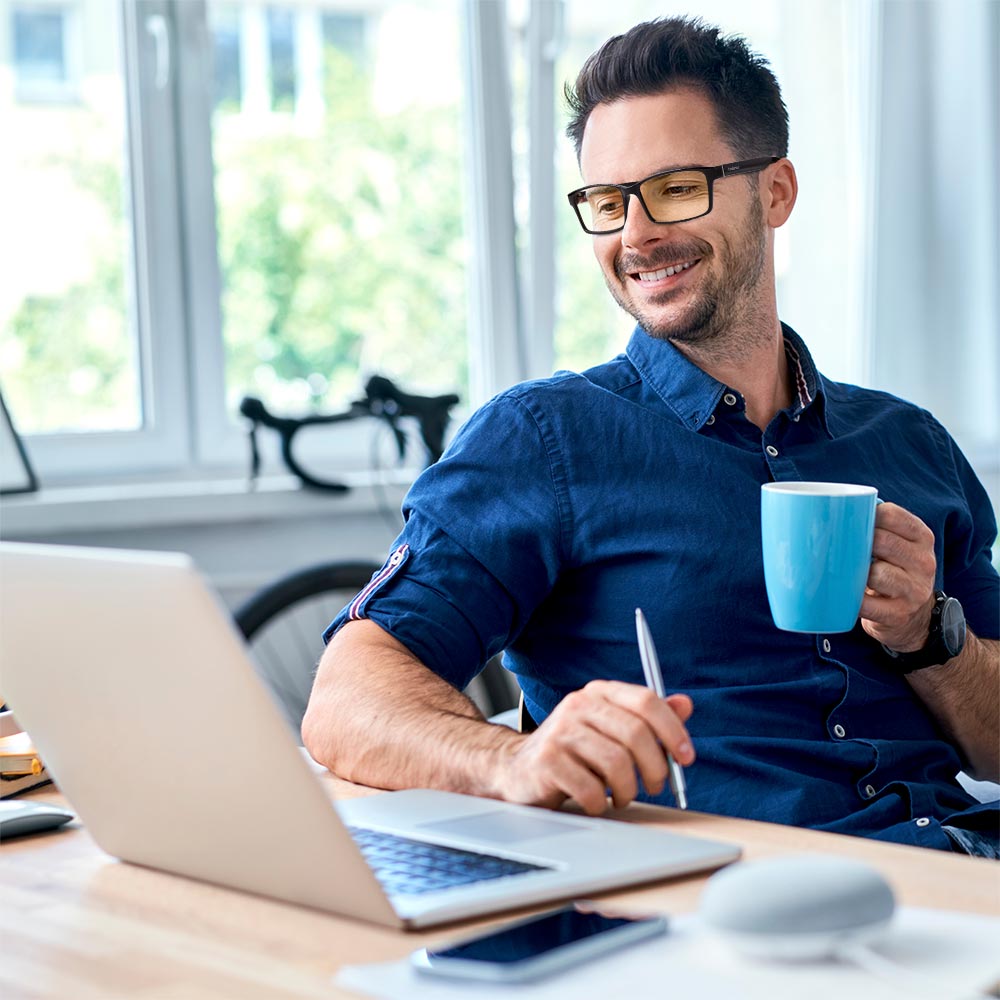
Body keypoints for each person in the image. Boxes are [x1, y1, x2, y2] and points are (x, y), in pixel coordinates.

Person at [302, 17, 999, 855]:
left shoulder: (909, 442)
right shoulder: (544, 441)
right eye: (606, 202)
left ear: (774, 191)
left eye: (673, 188)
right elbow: (347, 703)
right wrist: (513, 762)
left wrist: (932, 634)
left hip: (964, 875)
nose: (634, 236)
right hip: (737, 908)